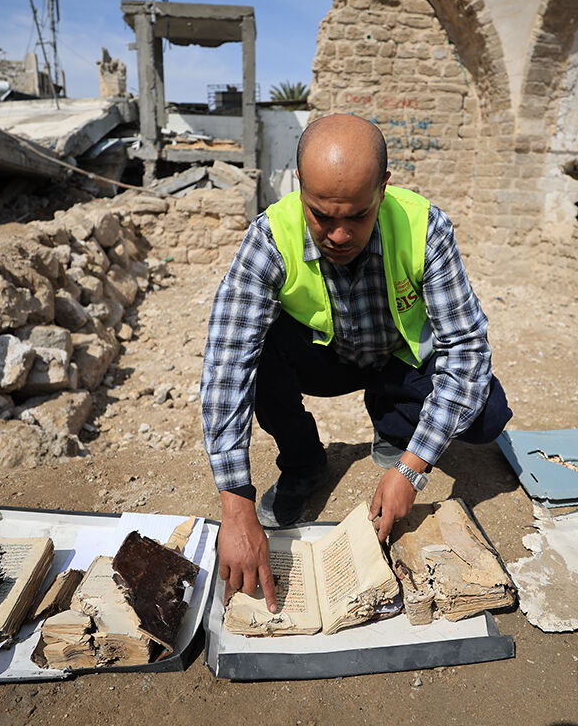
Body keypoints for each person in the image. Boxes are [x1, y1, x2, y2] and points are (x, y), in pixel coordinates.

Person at [201, 113, 511, 612]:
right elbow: (225, 364)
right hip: (326, 360)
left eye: (358, 216)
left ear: (383, 188)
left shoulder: (423, 227)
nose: (340, 235)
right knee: (253, 358)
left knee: (486, 414)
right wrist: (235, 506)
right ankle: (305, 465)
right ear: (299, 184)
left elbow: (467, 350)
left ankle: (395, 427)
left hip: (395, 360)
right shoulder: (269, 238)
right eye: (322, 215)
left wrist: (412, 469)